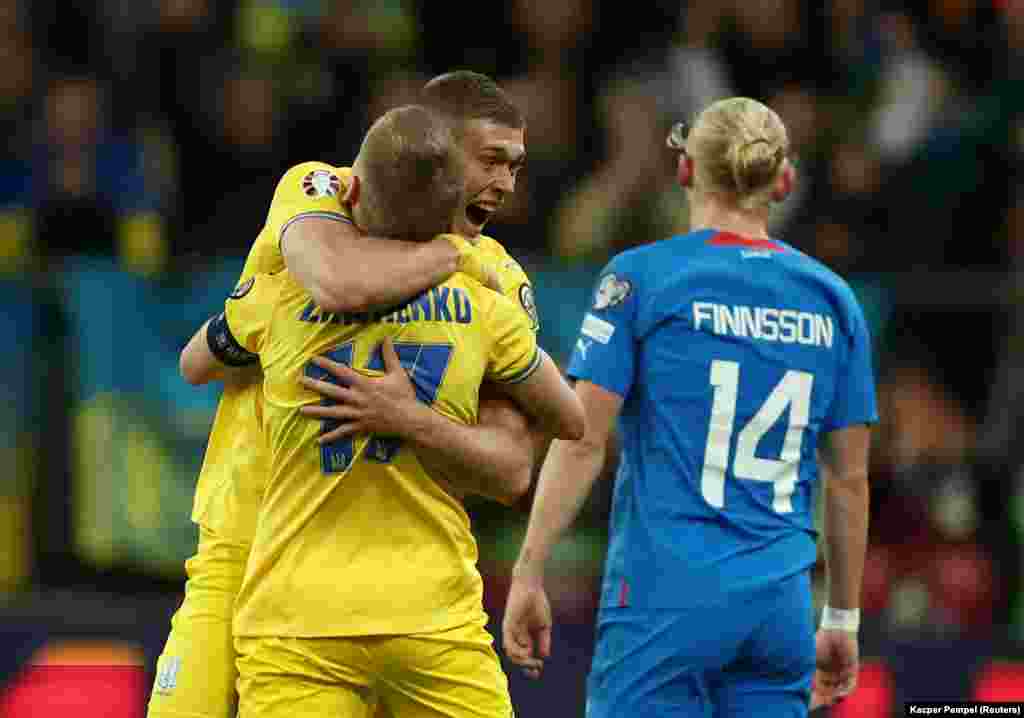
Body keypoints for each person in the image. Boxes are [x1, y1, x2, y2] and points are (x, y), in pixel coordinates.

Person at [148, 70, 540, 718]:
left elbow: (512, 468)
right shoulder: (322, 191)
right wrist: (455, 257)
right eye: (490, 160)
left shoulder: (499, 279)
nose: (505, 184)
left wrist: (413, 421)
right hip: (245, 546)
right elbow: (336, 283)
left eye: (515, 166)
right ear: (432, 143)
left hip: (403, 586)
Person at [501, 96, 876, 717]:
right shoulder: (834, 299)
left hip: (664, 601)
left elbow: (582, 437)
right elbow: (848, 478)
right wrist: (842, 617)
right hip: (779, 609)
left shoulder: (642, 278)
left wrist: (529, 569)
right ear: (782, 181)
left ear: (685, 170)